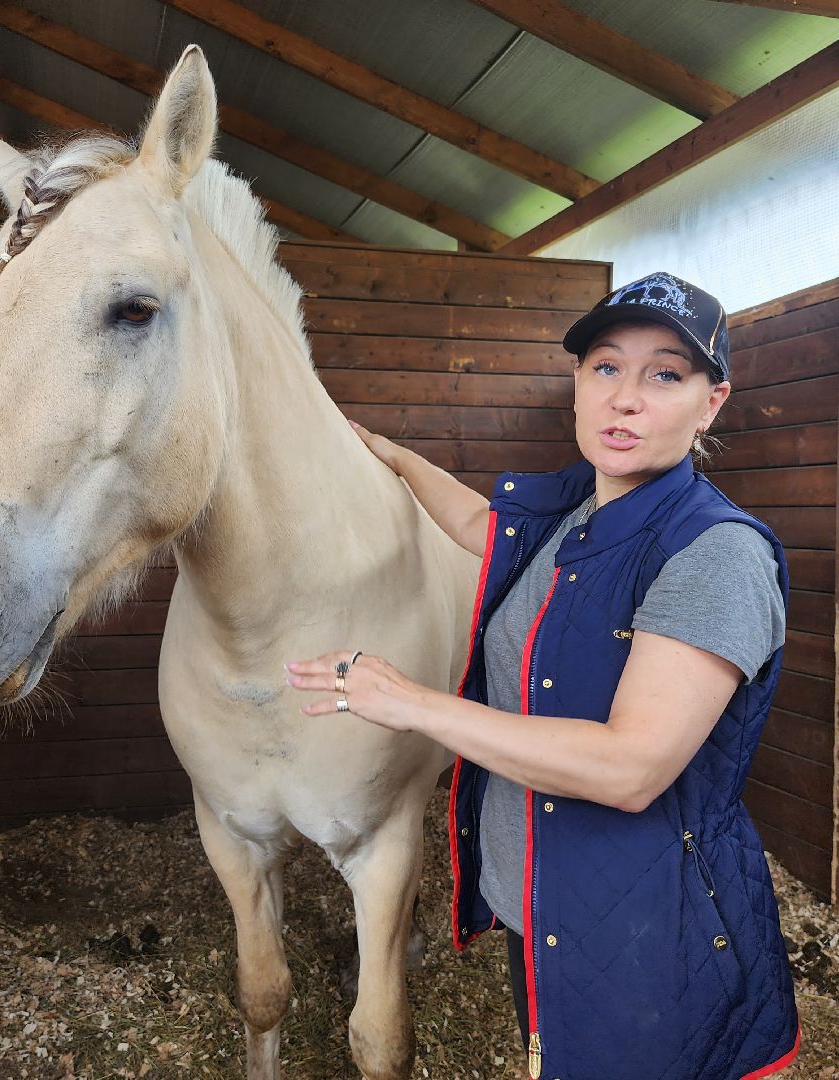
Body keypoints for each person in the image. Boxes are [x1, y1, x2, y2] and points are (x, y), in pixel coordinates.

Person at [286, 272, 800, 1080]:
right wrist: (390, 456)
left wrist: (411, 703)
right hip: (559, 903)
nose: (624, 398)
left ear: (711, 403)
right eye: (605, 367)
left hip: (650, 933)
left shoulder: (716, 556)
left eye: (664, 374)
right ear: (577, 384)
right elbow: (470, 521)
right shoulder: (573, 516)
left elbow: (632, 768)